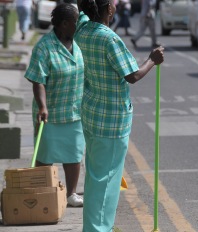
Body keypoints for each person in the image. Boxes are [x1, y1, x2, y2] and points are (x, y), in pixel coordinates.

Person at [74, 0, 164, 231]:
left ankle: (93, 227)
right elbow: (132, 75)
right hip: (111, 120)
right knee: (106, 182)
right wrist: (152, 60)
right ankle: (98, 229)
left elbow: (83, 13)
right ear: (110, 10)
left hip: (92, 113)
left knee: (96, 176)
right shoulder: (109, 38)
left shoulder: (82, 30)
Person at [24, 3, 85, 207]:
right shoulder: (44, 46)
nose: (80, 25)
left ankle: (71, 194)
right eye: (77, 22)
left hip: (75, 111)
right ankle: (41, 192)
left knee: (74, 153)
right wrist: (42, 106)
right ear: (65, 24)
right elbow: (38, 80)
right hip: (49, 112)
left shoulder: (78, 43)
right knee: (45, 154)